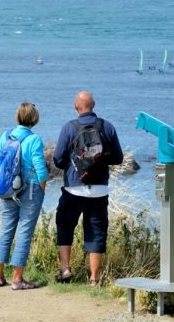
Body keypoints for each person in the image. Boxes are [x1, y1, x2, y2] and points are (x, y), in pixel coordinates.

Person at [53, 91, 124, 287]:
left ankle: (66, 269)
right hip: (99, 189)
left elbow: (58, 159)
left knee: (65, 226)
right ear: (93, 105)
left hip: (74, 188)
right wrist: (98, 161)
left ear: (76, 107)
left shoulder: (69, 128)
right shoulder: (107, 126)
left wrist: (76, 164)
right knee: (96, 231)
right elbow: (118, 158)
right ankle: (94, 279)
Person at [0, 102, 49, 290]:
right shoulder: (34, 140)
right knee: (24, 232)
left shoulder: (5, 136)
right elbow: (41, 169)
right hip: (30, 190)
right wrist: (42, 188)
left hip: (8, 190)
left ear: (17, 117)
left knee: (6, 230)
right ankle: (17, 279)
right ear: (34, 119)